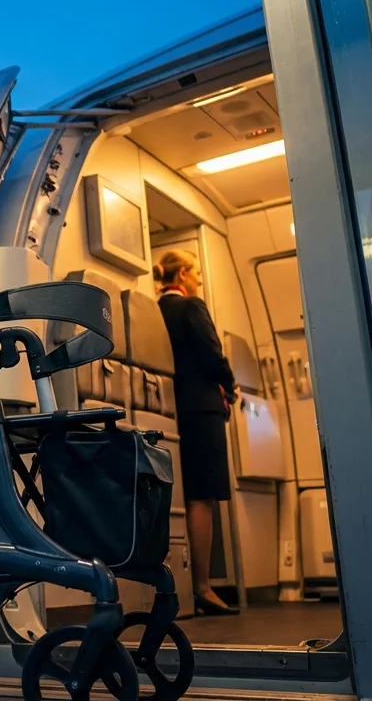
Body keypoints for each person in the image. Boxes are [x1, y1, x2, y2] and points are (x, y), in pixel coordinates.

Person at [154, 249, 240, 617]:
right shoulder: (191, 307)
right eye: (198, 274)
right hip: (202, 408)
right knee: (203, 498)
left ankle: (180, 586)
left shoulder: (154, 310)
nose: (200, 281)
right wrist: (230, 385)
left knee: (180, 494)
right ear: (185, 274)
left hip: (172, 410)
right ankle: (203, 586)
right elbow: (212, 353)